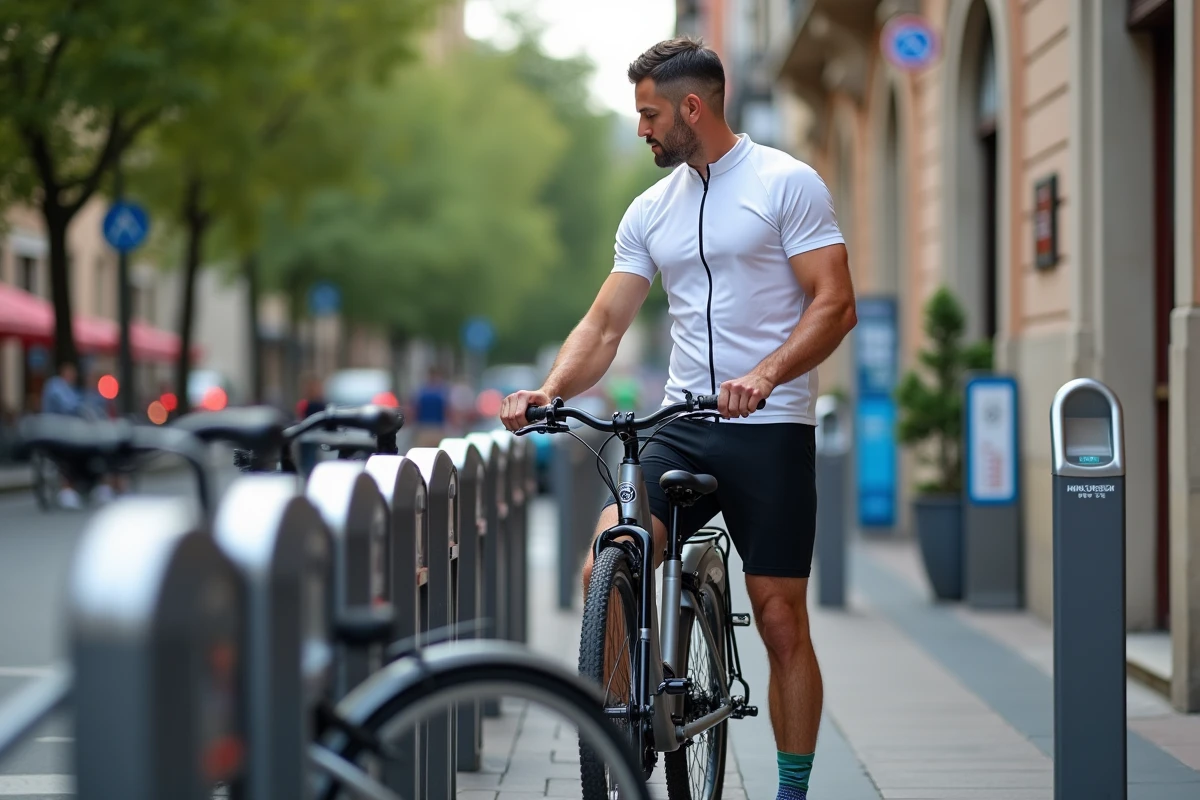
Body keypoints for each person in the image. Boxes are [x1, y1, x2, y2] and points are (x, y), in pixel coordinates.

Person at [500, 37, 856, 800]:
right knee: (608, 557)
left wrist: (764, 375)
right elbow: (604, 324)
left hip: (772, 426)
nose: (642, 129)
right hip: (685, 419)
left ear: (692, 107)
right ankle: (623, 730)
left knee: (780, 617)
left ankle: (791, 791)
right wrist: (549, 390)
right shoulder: (651, 209)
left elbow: (835, 303)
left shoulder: (785, 184)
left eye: (650, 113)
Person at [40, 361, 85, 509]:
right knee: (70, 451)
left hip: (64, 429)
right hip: (55, 431)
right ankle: (67, 489)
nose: (73, 376)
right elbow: (68, 406)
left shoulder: (69, 389)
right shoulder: (56, 385)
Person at [411, 366, 450, 448]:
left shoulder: (422, 392)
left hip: (426, 428)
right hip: (435, 428)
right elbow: (447, 410)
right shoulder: (442, 392)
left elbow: (415, 410)